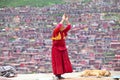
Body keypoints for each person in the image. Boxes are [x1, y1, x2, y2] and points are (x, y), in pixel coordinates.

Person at [51, 14, 73, 79]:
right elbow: (58, 26)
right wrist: (62, 20)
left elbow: (69, 27)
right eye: (62, 27)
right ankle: (56, 75)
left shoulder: (63, 32)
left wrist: (67, 21)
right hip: (56, 49)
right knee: (57, 62)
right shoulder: (55, 32)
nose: (63, 27)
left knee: (63, 61)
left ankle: (60, 75)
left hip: (63, 49)